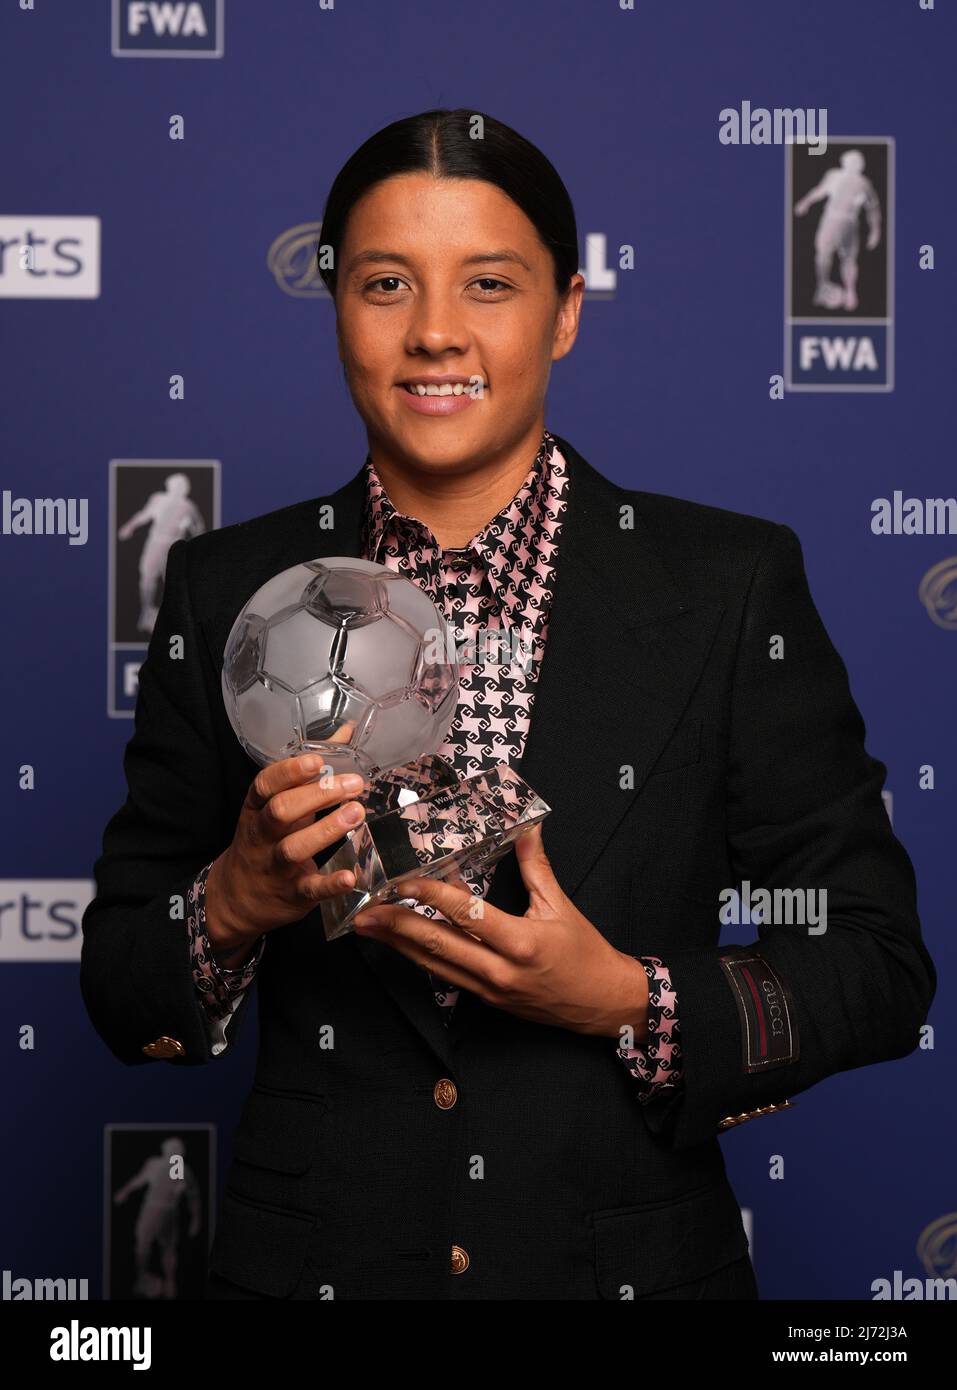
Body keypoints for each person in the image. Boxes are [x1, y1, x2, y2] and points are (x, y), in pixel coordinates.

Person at [80, 108, 935, 1301]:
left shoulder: (728, 584)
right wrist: (234, 899)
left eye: (490, 283)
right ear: (335, 304)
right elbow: (119, 982)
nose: (435, 332)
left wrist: (631, 999)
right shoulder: (228, 591)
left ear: (567, 310)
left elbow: (880, 966)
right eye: (386, 282)